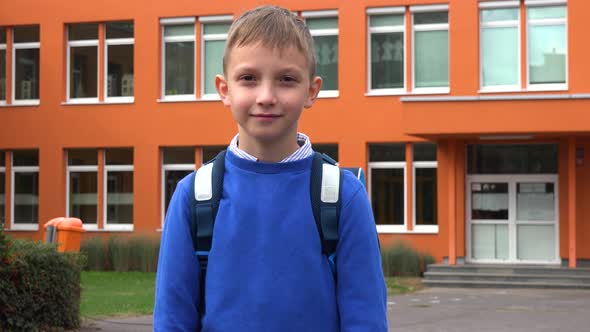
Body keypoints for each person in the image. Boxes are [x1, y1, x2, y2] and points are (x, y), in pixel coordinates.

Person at [153, 5, 388, 331]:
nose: (266, 96)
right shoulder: (194, 196)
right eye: (248, 78)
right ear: (225, 89)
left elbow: (366, 321)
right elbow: (172, 320)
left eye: (286, 80)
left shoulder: (342, 196)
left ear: (311, 91)